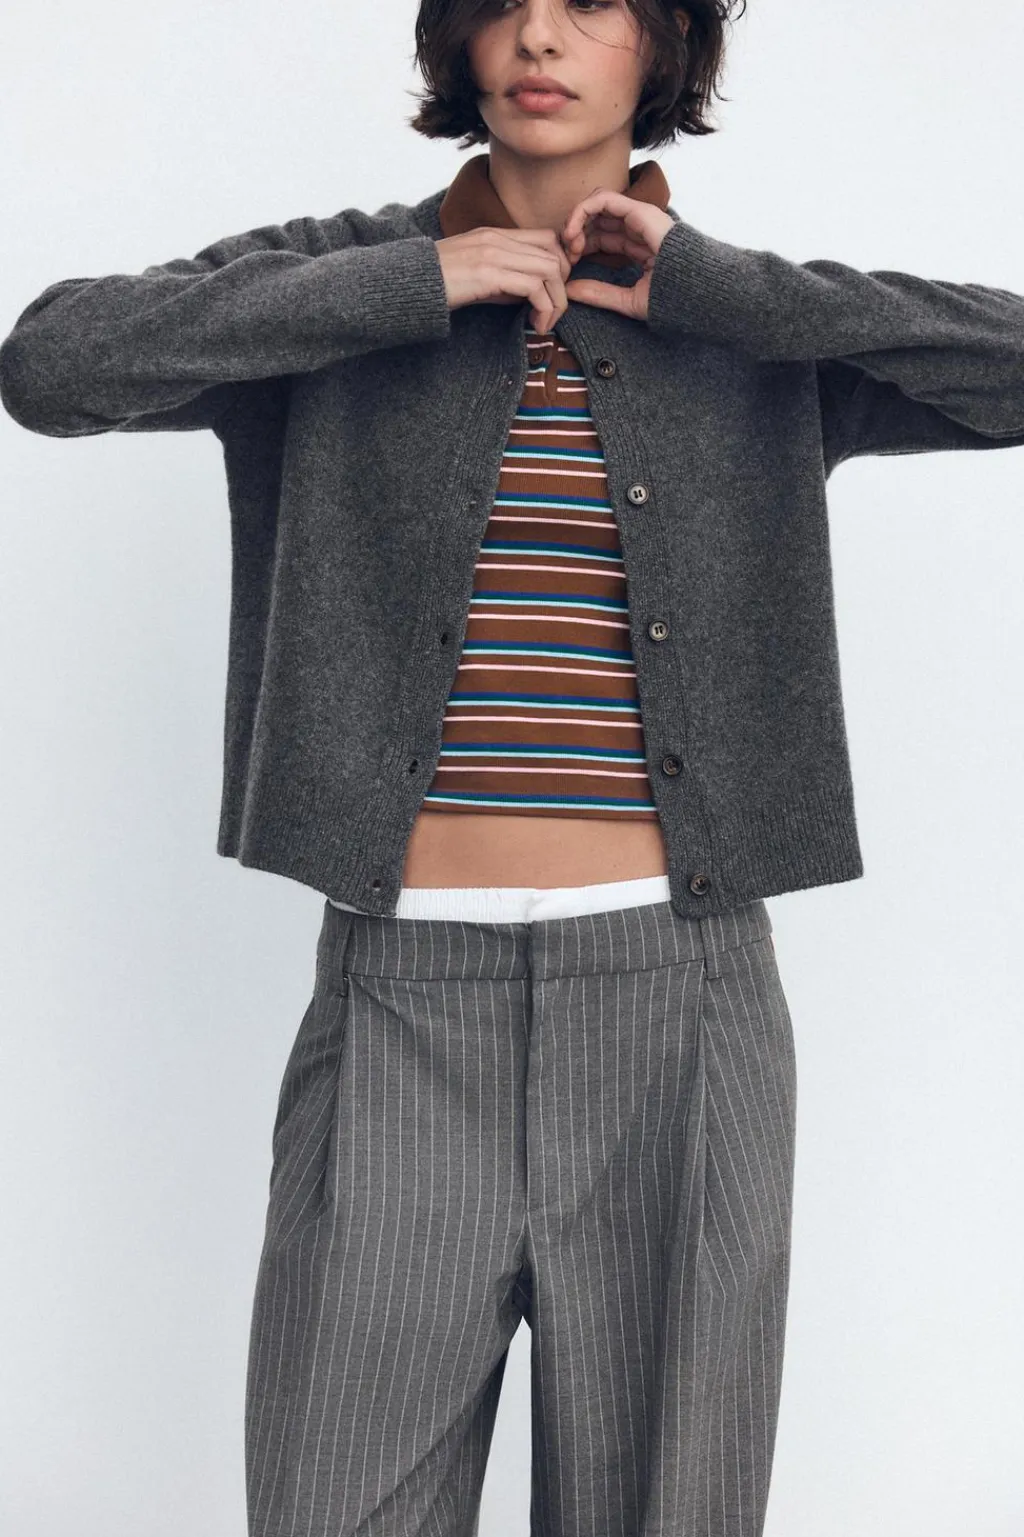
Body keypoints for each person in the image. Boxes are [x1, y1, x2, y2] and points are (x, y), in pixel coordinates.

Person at [4, 2, 1024, 1534]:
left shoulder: (745, 328)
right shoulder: (336, 287)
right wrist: (414, 284)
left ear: (662, 50)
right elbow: (50, 363)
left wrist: (722, 289)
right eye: (504, 1)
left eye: (592, 3)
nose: (539, 36)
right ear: (458, 41)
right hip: (398, 1000)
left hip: (683, 1008)